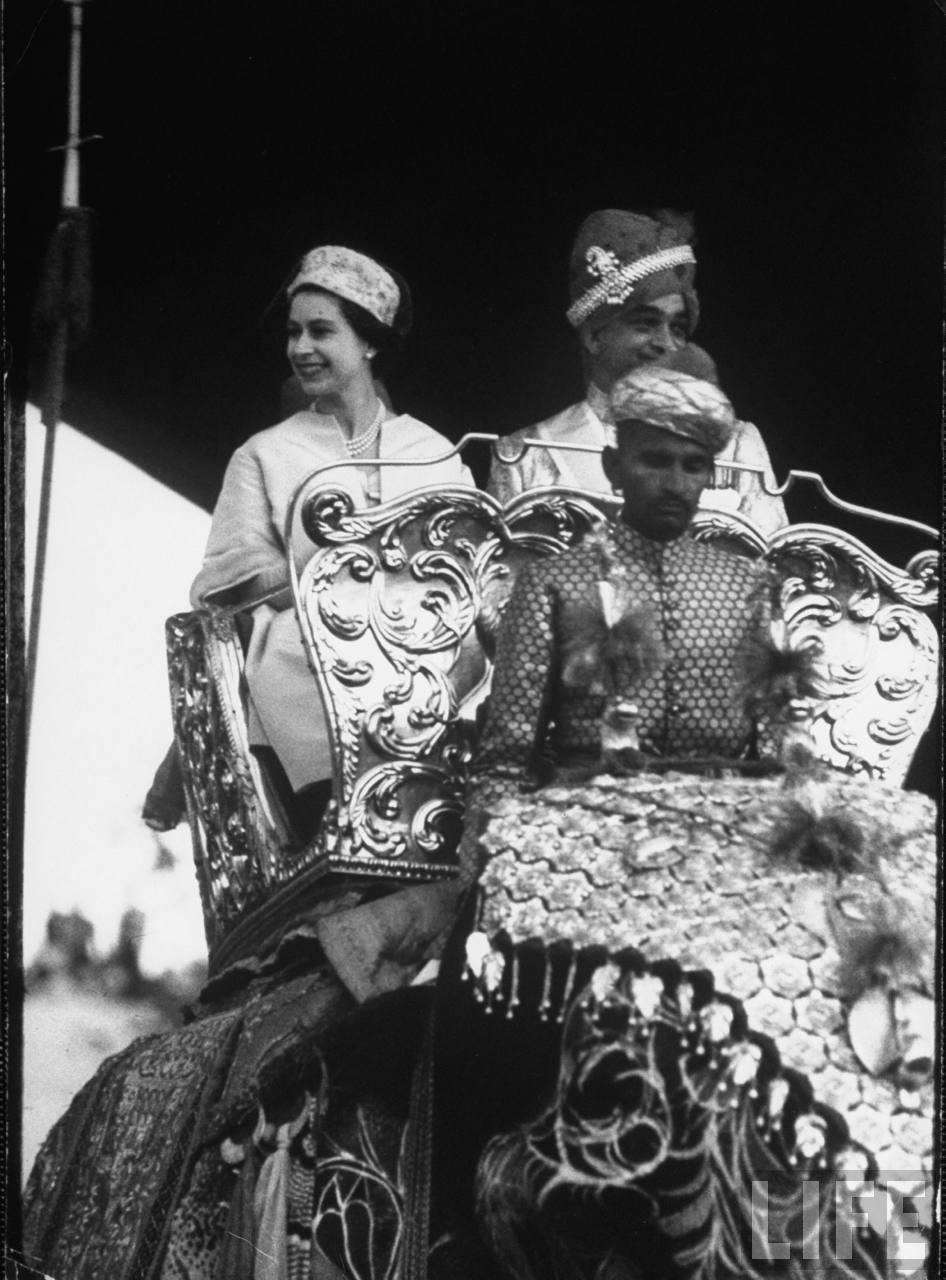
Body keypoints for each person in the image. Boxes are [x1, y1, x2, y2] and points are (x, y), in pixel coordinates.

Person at [22, 247, 473, 1280]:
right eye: (294, 331)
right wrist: (336, 575)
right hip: (306, 689)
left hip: (429, 703)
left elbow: (476, 579)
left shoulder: (434, 454)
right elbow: (225, 584)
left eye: (322, 329)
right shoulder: (264, 454)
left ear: (368, 339)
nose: (303, 347)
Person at [486, 208, 788, 536]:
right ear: (593, 335)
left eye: (678, 327)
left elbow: (771, 576)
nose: (666, 343)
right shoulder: (525, 454)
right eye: (646, 323)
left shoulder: (738, 444)